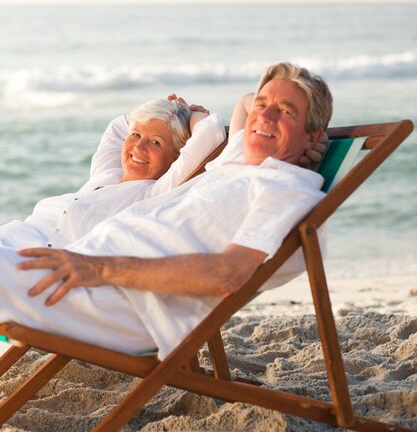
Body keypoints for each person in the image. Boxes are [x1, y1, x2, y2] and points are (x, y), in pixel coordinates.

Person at [1, 62, 333, 360]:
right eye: (263, 106)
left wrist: (99, 268)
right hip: (84, 269)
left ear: (313, 134)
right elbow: (245, 104)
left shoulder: (285, 188)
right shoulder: (239, 162)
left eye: (286, 112)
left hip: (116, 299)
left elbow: (226, 275)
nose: (265, 117)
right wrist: (244, 106)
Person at [0, 98, 225, 251]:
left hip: (27, 263)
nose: (138, 148)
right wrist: (171, 108)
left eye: (156, 142)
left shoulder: (153, 196)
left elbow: (210, 132)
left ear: (176, 157)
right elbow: (119, 125)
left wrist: (192, 114)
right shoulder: (106, 173)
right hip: (10, 239)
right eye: (136, 135)